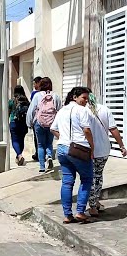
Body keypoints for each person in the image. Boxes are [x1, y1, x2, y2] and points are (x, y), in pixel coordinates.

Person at [50, 87, 94, 224]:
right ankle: (80, 211)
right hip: (78, 148)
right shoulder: (83, 110)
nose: (86, 101)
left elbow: (52, 128)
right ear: (75, 97)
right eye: (84, 98)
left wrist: (62, 137)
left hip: (62, 148)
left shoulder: (62, 110)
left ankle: (67, 215)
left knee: (67, 181)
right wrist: (92, 147)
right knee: (87, 178)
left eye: (87, 98)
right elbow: (86, 130)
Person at [85, 89, 127, 216]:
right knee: (98, 176)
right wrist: (122, 146)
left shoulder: (82, 110)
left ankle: (92, 204)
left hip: (87, 150)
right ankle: (95, 202)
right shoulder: (105, 109)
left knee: (88, 177)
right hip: (103, 150)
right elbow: (113, 129)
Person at [26, 77, 62, 172]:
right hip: (51, 123)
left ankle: (42, 167)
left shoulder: (37, 95)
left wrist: (29, 122)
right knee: (49, 143)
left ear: (40, 85)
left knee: (40, 144)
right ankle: (49, 156)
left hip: (39, 123)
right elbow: (59, 110)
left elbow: (31, 110)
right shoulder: (56, 96)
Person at [8, 85, 30, 166]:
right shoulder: (27, 101)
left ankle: (19, 155)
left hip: (14, 122)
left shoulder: (12, 101)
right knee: (21, 140)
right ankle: (19, 156)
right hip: (24, 124)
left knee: (15, 140)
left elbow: (8, 112)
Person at [31, 76, 42, 161]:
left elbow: (32, 108)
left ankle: (39, 155)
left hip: (37, 120)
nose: (34, 85)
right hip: (49, 120)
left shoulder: (35, 94)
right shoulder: (51, 94)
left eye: (35, 83)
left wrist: (30, 121)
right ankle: (48, 154)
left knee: (37, 139)